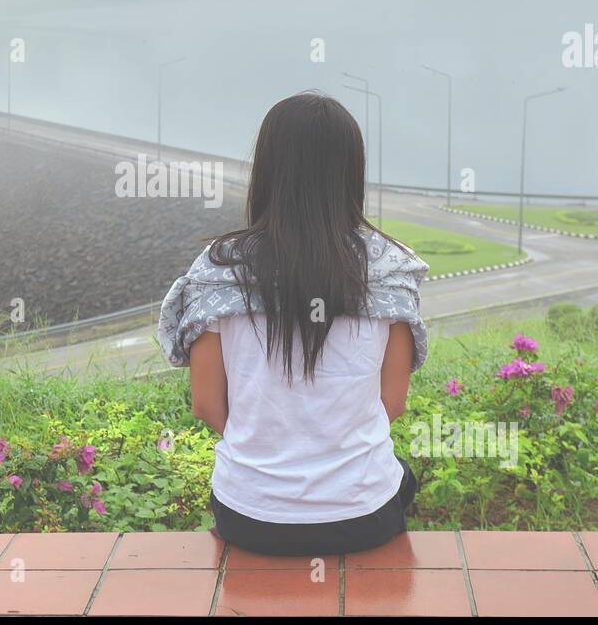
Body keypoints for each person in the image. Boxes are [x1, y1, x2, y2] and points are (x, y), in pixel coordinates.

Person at [156, 92, 429, 556]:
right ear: (350, 171)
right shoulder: (390, 269)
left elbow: (206, 405)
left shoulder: (218, 269)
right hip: (363, 517)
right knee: (402, 478)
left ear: (267, 169)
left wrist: (272, 456)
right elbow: (393, 401)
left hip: (250, 516)